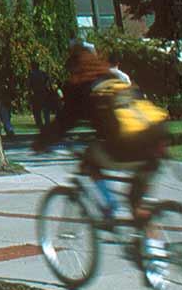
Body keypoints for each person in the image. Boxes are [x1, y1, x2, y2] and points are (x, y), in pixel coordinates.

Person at [32, 41, 170, 236]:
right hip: (157, 138)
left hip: (129, 144)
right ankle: (156, 256)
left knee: (89, 158)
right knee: (138, 204)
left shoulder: (83, 86)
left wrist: (41, 143)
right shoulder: (114, 78)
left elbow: (64, 122)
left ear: (75, 66)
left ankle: (110, 207)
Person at [29, 62, 57, 128]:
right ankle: (47, 123)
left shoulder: (31, 75)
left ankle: (40, 124)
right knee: (46, 110)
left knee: (37, 111)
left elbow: (29, 86)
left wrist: (30, 94)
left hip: (36, 94)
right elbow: (49, 83)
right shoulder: (43, 74)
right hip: (45, 94)